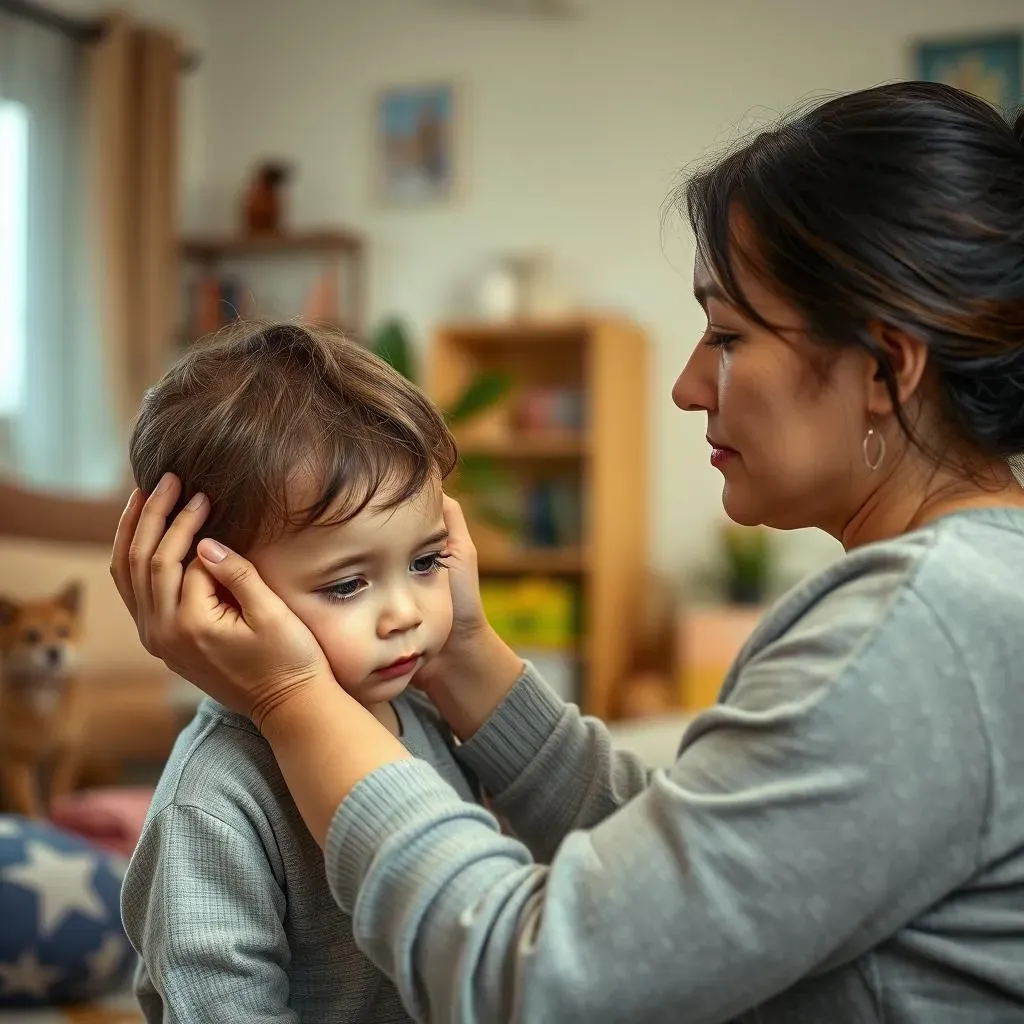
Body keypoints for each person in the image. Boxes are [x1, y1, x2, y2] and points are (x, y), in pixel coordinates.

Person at [112, 82, 1024, 1023]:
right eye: (352, 577)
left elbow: (539, 972)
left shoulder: (922, 630)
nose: (683, 386)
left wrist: (291, 700)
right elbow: (688, 879)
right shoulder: (970, 599)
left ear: (885, 366)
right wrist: (462, 652)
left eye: (727, 335)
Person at [119, 322, 483, 1023]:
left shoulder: (429, 715)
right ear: (216, 589)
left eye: (425, 561)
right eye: (347, 586)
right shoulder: (214, 801)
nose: (405, 612)